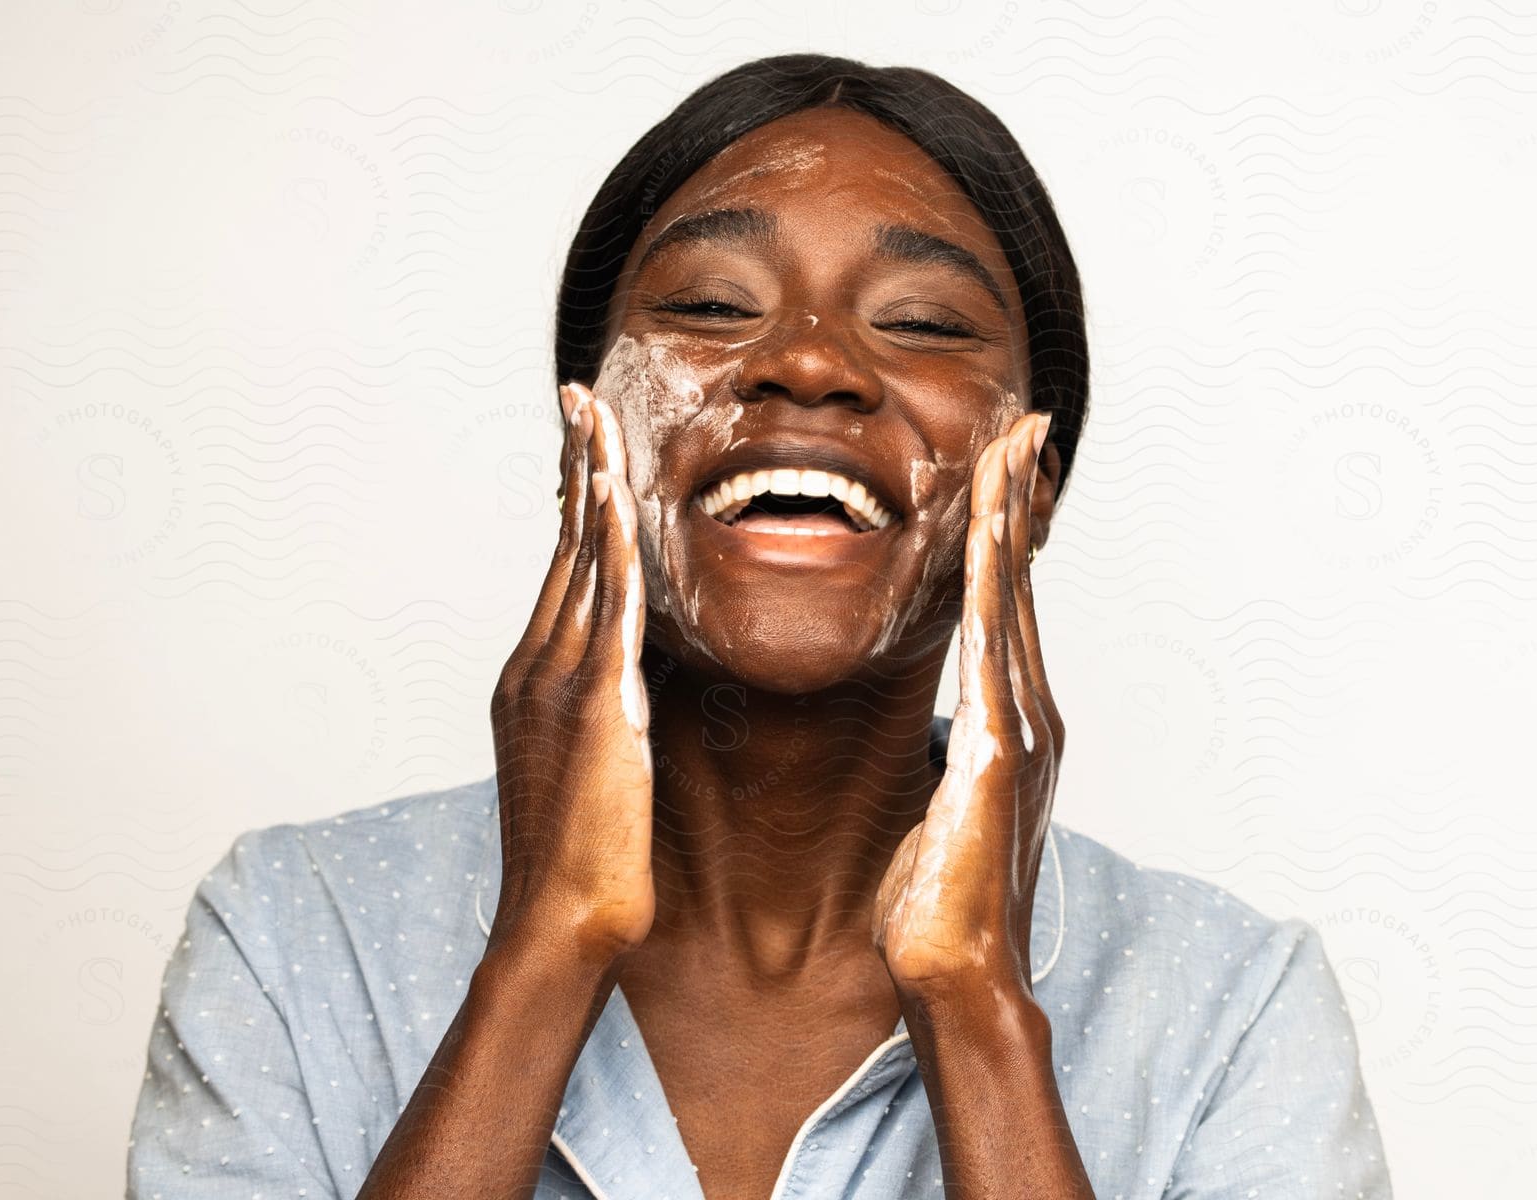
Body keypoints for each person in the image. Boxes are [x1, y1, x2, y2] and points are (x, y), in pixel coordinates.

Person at [125, 53, 1393, 1199]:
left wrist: (977, 1006)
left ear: (1035, 479)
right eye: (715, 307)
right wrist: (547, 949)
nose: (809, 360)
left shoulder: (1233, 1008)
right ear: (587, 446)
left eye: (922, 322)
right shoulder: (294, 936)